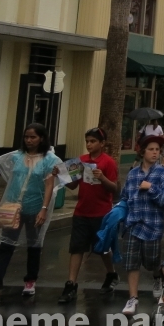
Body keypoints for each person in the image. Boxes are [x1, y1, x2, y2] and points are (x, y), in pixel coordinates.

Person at [0, 123, 61, 303]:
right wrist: (0, 204)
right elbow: (11, 182)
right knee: (6, 245)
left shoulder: (49, 160)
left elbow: (49, 186)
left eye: (33, 137)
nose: (29, 140)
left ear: (41, 138)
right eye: (26, 137)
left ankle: (30, 280)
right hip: (13, 207)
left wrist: (44, 209)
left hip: (35, 208)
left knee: (34, 245)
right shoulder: (17, 157)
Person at [57, 127, 120, 303]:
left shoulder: (108, 162)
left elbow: (114, 189)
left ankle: (111, 273)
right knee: (77, 248)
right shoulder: (81, 161)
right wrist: (61, 177)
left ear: (102, 143)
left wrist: (102, 178)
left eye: (93, 141)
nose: (89, 145)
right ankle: (71, 283)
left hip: (101, 213)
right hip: (81, 212)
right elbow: (72, 185)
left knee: (102, 248)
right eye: (87, 141)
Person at [118, 136, 164, 315]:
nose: (155, 153)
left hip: (153, 225)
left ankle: (157, 277)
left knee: (151, 262)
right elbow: (125, 196)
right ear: (142, 151)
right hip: (133, 224)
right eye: (151, 149)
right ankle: (133, 298)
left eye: (157, 150)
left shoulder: (162, 173)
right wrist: (119, 214)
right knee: (132, 262)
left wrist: (151, 187)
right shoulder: (133, 173)